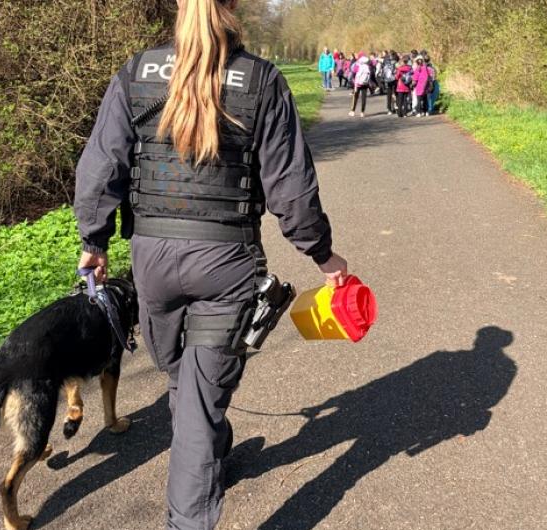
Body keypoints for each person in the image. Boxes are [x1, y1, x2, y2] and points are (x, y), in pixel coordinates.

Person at [73, 1, 349, 528]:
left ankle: (206, 455)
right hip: (227, 263)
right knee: (196, 396)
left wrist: (95, 239)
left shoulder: (138, 72)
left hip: (152, 257)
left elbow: (101, 163)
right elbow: (291, 186)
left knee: (187, 382)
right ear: (235, 7)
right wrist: (321, 252)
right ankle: (200, 478)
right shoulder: (261, 81)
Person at [349, 53, 372, 117]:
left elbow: (353, 72)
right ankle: (362, 112)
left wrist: (353, 80)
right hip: (365, 83)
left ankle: (352, 111)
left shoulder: (357, 64)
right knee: (364, 98)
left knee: (355, 97)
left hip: (358, 83)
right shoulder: (368, 66)